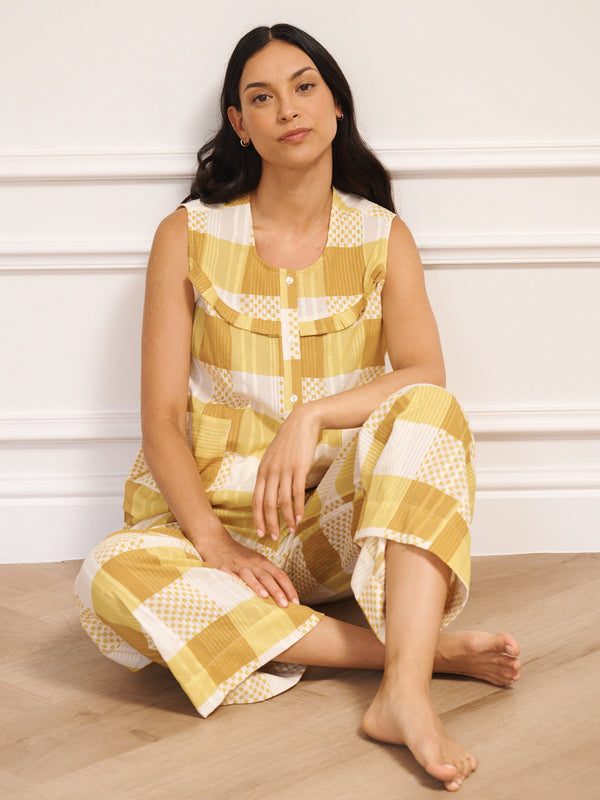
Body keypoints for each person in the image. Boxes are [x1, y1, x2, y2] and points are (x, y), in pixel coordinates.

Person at [75, 23, 521, 792]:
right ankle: (414, 657)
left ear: (337, 105)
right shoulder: (186, 236)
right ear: (238, 124)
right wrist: (214, 542)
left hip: (333, 529)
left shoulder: (382, 237)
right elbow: (159, 420)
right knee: (106, 575)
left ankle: (403, 698)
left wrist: (311, 416)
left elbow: (424, 373)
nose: (288, 108)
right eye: (262, 96)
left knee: (431, 408)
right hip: (216, 530)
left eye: (305, 85)